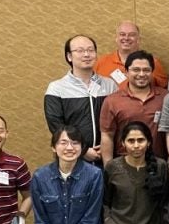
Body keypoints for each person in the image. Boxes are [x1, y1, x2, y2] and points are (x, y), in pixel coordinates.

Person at [44, 34, 118, 165]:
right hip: (72, 157)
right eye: (80, 51)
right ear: (69, 56)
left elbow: (118, 120)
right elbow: (57, 127)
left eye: (90, 50)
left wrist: (107, 146)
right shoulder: (57, 88)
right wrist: (83, 150)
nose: (86, 54)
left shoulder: (110, 85)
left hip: (107, 157)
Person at [99, 50, 169, 164]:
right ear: (126, 72)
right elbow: (107, 135)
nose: (141, 74)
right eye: (136, 70)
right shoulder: (112, 101)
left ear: (152, 72)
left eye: (146, 70)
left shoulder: (166, 98)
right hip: (123, 166)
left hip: (158, 165)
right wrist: (108, 168)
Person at [94, 21, 168, 88]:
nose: (126, 38)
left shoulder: (152, 62)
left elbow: (163, 90)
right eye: (122, 34)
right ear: (116, 38)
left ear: (138, 39)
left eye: (131, 35)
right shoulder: (101, 63)